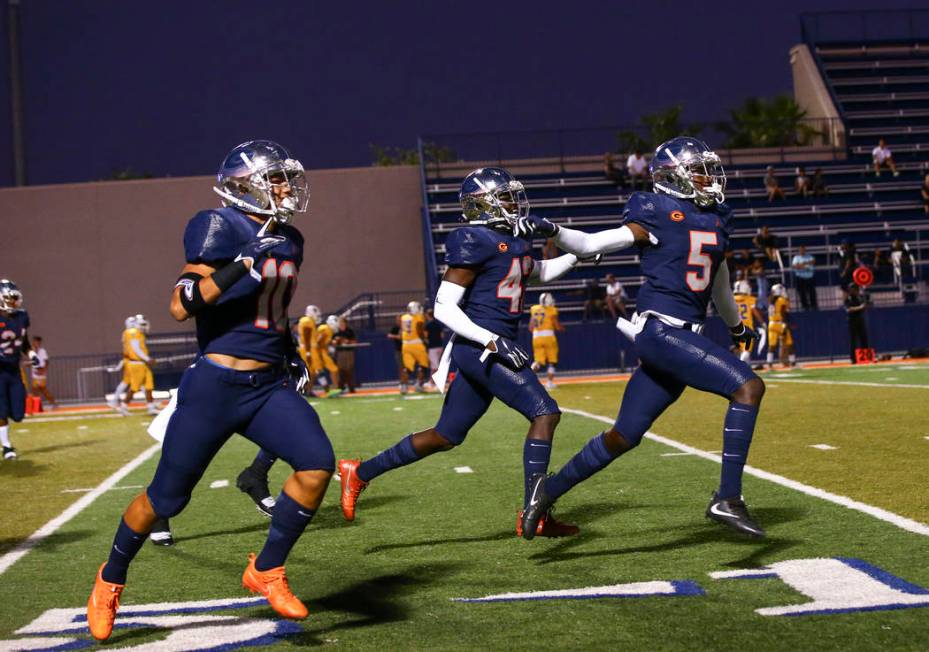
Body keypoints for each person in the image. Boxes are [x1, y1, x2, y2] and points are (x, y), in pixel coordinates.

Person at [86, 140, 333, 641]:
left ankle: (266, 569)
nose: (287, 188)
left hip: (267, 383)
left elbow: (273, 309)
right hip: (216, 385)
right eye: (276, 179)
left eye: (288, 179)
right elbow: (181, 306)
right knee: (165, 500)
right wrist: (240, 263)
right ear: (245, 184)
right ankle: (109, 580)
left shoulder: (291, 239)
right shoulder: (218, 224)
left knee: (316, 465)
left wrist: (290, 352)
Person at [516, 136, 766, 540]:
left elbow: (719, 282)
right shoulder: (656, 210)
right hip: (662, 332)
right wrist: (553, 229)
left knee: (623, 436)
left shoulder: (719, 217)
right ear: (674, 177)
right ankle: (728, 498)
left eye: (707, 169)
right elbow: (594, 244)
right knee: (749, 387)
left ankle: (547, 492)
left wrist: (736, 325)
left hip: (680, 338)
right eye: (698, 170)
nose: (708, 177)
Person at [338, 167, 583, 538]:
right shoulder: (473, 238)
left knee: (446, 435)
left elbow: (540, 273)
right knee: (545, 413)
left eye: (512, 195)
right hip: (481, 346)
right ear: (481, 203)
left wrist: (580, 255)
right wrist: (491, 341)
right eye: (503, 197)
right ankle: (537, 509)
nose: (512, 203)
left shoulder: (512, 242)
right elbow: (444, 308)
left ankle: (360, 472)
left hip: (490, 345)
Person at [0, 280, 40, 460]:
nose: (15, 302)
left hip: (14, 370)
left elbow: (23, 342)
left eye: (16, 298)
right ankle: (7, 446)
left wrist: (31, 354)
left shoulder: (22, 317)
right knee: (1, 411)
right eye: (11, 298)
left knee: (18, 414)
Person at [121, 314, 159, 416]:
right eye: (142, 324)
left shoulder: (139, 333)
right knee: (134, 387)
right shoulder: (133, 332)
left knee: (149, 386)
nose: (145, 326)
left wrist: (147, 360)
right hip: (137, 364)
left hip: (142, 363)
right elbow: (136, 349)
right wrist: (148, 359)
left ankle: (151, 408)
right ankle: (123, 406)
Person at [529, 293, 564, 390]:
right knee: (552, 361)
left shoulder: (534, 309)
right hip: (548, 337)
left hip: (536, 337)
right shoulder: (551, 310)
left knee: (538, 361)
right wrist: (562, 328)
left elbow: (531, 327)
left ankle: (528, 380)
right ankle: (549, 383)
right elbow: (556, 325)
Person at [733, 280, 766, 366]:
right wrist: (762, 322)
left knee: (741, 349)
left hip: (735, 327)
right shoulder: (749, 299)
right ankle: (741, 368)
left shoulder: (732, 299)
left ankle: (747, 368)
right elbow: (755, 312)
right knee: (746, 350)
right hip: (746, 327)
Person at [399, 301, 429, 394]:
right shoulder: (418, 317)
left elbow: (401, 331)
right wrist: (424, 339)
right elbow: (419, 329)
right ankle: (419, 385)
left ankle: (403, 386)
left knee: (407, 367)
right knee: (423, 365)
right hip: (416, 343)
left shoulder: (403, 317)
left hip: (405, 344)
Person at [766, 284, 795, 369]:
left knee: (772, 345)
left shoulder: (770, 300)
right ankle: (792, 362)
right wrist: (786, 324)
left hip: (771, 323)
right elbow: (783, 312)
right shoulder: (781, 300)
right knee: (789, 343)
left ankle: (769, 363)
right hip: (779, 324)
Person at [298, 305, 321, 393]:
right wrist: (308, 353)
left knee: (313, 371)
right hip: (309, 350)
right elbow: (307, 337)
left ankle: (308, 390)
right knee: (311, 371)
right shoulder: (307, 321)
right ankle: (307, 390)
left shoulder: (307, 320)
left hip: (309, 349)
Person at [315, 315, 340, 395]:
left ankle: (330, 390)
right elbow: (318, 341)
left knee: (318, 372)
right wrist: (326, 348)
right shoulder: (326, 328)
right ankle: (334, 389)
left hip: (319, 351)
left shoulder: (327, 329)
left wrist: (330, 343)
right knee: (333, 369)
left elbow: (322, 341)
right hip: (319, 352)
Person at [29, 336, 57, 409]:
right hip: (35, 373)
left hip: (41, 372)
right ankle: (37, 406)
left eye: (37, 342)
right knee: (35, 390)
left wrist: (44, 370)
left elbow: (46, 361)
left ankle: (53, 403)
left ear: (39, 342)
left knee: (43, 389)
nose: (35, 343)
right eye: (34, 341)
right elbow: (32, 362)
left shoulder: (42, 351)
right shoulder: (31, 351)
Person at [844, 284, 870, 363]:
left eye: (856, 289)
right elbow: (849, 309)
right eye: (853, 289)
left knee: (864, 339)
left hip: (860, 320)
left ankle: (865, 357)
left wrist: (865, 304)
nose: (855, 291)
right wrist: (860, 307)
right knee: (853, 340)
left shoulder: (860, 298)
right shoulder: (848, 299)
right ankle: (853, 359)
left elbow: (865, 306)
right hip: (852, 321)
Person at [333, 317, 357, 393]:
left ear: (345, 323)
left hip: (348, 352)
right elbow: (332, 341)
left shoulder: (350, 331)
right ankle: (341, 387)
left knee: (349, 369)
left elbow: (354, 342)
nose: (341, 325)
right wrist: (336, 341)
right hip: (340, 352)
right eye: (340, 323)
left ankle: (351, 387)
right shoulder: (336, 332)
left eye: (342, 323)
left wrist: (348, 341)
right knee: (341, 370)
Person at [790, 245, 817, 310]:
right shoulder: (796, 258)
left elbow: (813, 261)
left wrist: (802, 264)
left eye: (803, 249)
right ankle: (805, 306)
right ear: (799, 251)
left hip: (809, 278)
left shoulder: (809, 256)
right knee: (802, 293)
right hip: (800, 278)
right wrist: (805, 265)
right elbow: (794, 266)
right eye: (801, 250)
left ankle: (813, 306)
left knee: (812, 293)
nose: (802, 251)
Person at [424, 308, 444, 389]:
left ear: (428, 315)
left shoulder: (427, 325)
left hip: (432, 347)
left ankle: (436, 383)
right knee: (435, 364)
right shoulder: (438, 324)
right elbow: (442, 335)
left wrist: (428, 342)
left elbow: (425, 337)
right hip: (439, 346)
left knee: (434, 365)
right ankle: (432, 382)